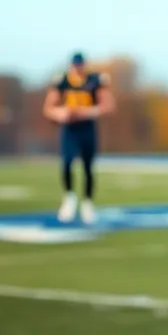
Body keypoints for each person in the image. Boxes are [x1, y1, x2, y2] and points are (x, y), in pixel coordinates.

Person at [43, 52, 115, 224]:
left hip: (87, 127)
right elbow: (48, 108)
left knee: (88, 167)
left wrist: (86, 112)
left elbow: (108, 105)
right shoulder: (62, 81)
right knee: (67, 163)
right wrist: (61, 114)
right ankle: (69, 199)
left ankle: (87, 203)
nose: (78, 68)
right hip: (69, 128)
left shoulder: (94, 81)